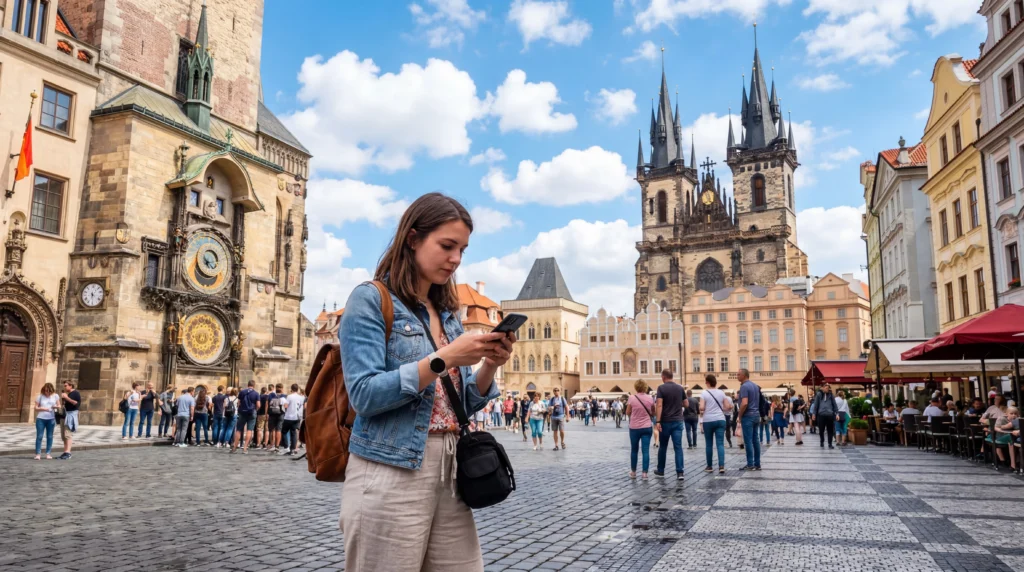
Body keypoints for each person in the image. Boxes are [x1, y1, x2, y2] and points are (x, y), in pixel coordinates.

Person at [337, 193, 513, 571]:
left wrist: (488, 366)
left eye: (463, 250)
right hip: (390, 468)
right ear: (413, 239)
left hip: (452, 470)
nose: (456, 259)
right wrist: (444, 358)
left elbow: (461, 404)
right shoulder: (371, 300)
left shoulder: (448, 312)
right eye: (447, 246)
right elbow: (364, 394)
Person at [654, 369, 686, 480]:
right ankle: (680, 472)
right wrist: (677, 403)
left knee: (663, 446)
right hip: (678, 421)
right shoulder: (680, 388)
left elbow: (659, 405)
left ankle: (661, 470)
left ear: (663, 377)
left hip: (665, 421)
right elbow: (686, 403)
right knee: (678, 447)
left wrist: (658, 421)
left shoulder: (661, 388)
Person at [699, 375, 732, 474]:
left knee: (709, 444)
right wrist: (731, 406)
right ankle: (721, 466)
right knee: (720, 444)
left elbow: (701, 408)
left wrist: (703, 408)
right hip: (720, 419)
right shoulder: (721, 393)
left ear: (708, 382)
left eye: (705, 382)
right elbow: (726, 407)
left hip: (708, 420)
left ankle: (709, 466)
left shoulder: (704, 393)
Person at [626, 379, 655, 480]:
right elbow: (653, 412)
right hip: (646, 427)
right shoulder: (650, 398)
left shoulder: (631, 398)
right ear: (645, 387)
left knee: (634, 450)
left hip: (634, 427)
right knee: (645, 450)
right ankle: (644, 473)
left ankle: (633, 472)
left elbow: (627, 412)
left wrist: (634, 415)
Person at [736, 369, 762, 470]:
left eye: (738, 375)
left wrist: (739, 415)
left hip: (748, 416)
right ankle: (757, 463)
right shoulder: (755, 386)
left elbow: (745, 403)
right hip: (756, 415)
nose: (737, 376)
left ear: (744, 375)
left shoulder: (744, 386)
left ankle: (750, 464)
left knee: (748, 441)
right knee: (756, 440)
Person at [231, 380, 260, 454]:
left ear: (248, 384)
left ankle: (234, 447)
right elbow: (258, 405)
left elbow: (238, 403)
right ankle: (245, 448)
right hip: (251, 412)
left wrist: (240, 409)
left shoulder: (242, 392)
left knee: (238, 430)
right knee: (249, 430)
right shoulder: (256, 393)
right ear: (254, 385)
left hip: (242, 412)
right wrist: (255, 410)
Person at [33, 383, 60, 460]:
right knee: (39, 436)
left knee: (50, 436)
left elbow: (59, 406)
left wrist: (55, 406)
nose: (47, 393)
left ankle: (48, 453)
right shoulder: (40, 396)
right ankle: (38, 454)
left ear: (52, 391)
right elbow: (35, 408)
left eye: (49, 391)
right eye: (46, 391)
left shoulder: (55, 396)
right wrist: (43, 409)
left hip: (51, 419)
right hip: (41, 418)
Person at [810, 384, 838, 449]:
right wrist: (814, 414)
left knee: (830, 430)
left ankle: (830, 443)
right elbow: (816, 405)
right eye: (825, 388)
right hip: (821, 415)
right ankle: (822, 441)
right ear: (822, 388)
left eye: (827, 388)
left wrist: (837, 413)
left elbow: (834, 405)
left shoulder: (831, 395)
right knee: (821, 430)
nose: (826, 389)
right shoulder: (819, 395)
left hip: (829, 415)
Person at [58, 381, 81, 460]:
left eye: (66, 386)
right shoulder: (68, 394)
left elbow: (76, 403)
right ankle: (65, 451)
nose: (65, 387)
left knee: (68, 434)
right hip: (65, 415)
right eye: (64, 386)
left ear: (71, 386)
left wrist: (67, 398)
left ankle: (68, 452)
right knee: (63, 435)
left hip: (71, 415)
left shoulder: (76, 393)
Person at [280, 383, 303, 456]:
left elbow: (286, 406)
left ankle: (286, 447)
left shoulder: (289, 396)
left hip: (289, 417)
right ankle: (292, 449)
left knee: (284, 431)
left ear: (291, 389)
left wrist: (283, 403)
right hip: (296, 417)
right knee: (294, 433)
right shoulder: (301, 397)